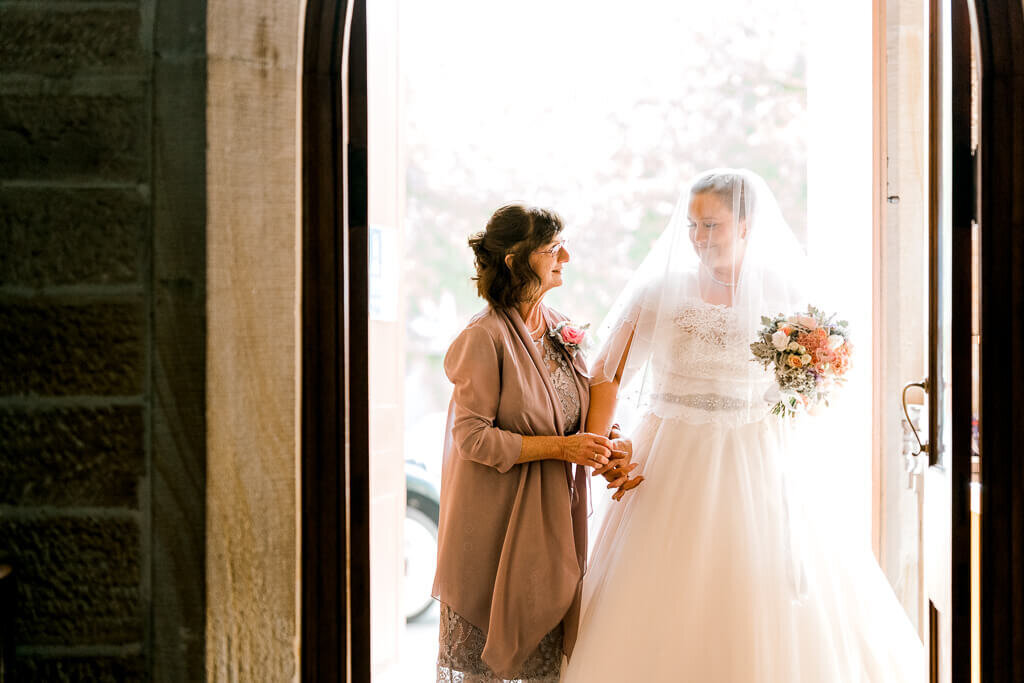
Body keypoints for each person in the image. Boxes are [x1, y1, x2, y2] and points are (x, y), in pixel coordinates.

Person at [562, 169, 925, 681]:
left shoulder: (785, 290)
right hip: (670, 454)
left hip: (761, 455)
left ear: (747, 224)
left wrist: (805, 394)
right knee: (664, 585)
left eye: (712, 225)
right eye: (692, 225)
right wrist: (602, 448)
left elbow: (815, 382)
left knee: (764, 583)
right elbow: (608, 374)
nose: (698, 238)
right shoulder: (661, 289)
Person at [434, 204, 633, 682]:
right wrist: (562, 450)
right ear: (515, 260)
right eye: (551, 248)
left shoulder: (562, 329)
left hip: (550, 527)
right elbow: (472, 437)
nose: (566, 255)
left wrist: (611, 445)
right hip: (494, 527)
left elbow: (579, 413)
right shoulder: (483, 337)